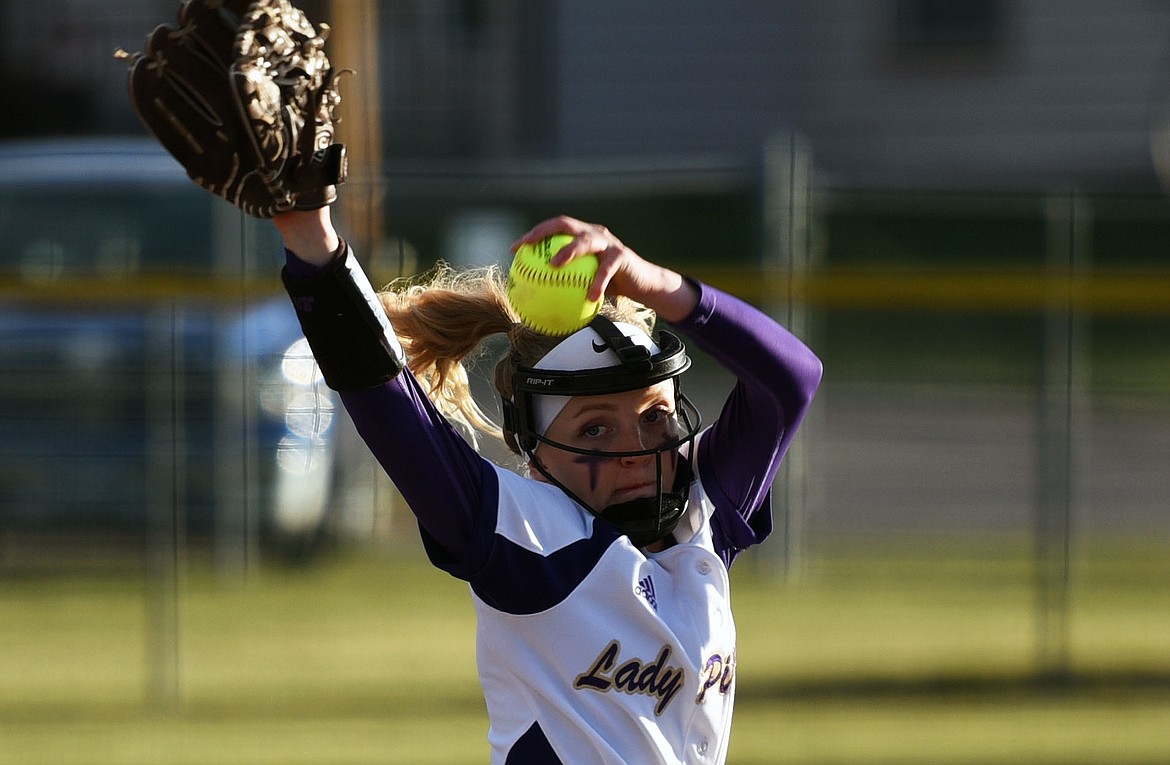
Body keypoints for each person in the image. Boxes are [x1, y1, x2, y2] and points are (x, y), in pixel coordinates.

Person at [275, 205, 822, 764]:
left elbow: (793, 378)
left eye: (654, 414)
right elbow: (389, 406)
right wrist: (309, 235)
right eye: (596, 427)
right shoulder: (529, 539)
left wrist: (653, 283)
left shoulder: (700, 515)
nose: (636, 448)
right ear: (532, 445)